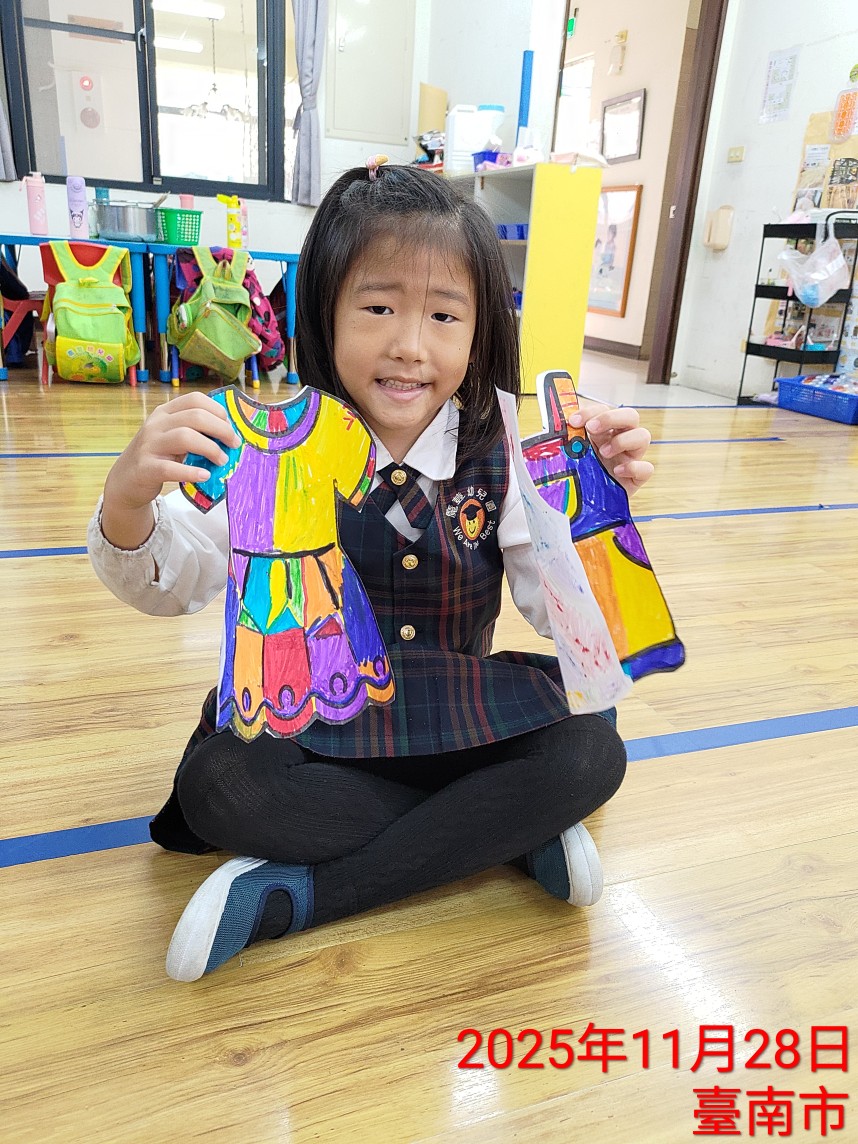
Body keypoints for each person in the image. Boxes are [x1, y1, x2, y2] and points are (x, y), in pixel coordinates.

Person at [88, 160, 654, 983]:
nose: (409, 346)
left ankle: (300, 897)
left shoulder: (501, 453)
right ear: (325, 309)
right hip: (317, 715)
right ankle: (502, 832)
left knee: (592, 749)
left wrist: (591, 507)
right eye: (379, 307)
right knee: (222, 786)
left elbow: (568, 623)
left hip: (461, 713)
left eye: (444, 315)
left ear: (480, 330)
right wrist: (127, 498)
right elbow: (174, 582)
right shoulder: (274, 449)